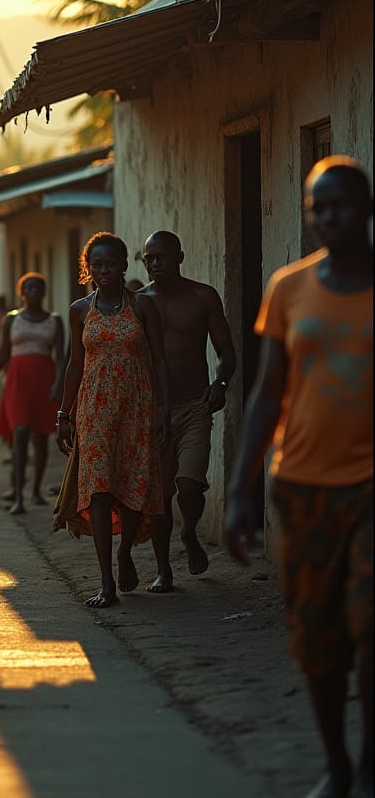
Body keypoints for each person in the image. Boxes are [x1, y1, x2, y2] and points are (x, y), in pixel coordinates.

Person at [225, 157, 372, 798]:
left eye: (340, 204)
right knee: (317, 640)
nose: (328, 216)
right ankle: (337, 764)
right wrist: (239, 489)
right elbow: (267, 394)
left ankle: (370, 766)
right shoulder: (289, 288)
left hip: (371, 486)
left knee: (370, 625)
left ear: (364, 208)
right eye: (318, 207)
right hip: (304, 486)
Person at [54, 232, 170, 608]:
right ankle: (106, 580)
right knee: (99, 489)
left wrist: (164, 409)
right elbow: (75, 364)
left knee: (136, 488)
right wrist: (64, 414)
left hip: (137, 407)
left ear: (124, 266)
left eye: (110, 264)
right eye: (96, 265)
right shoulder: (79, 310)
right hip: (94, 410)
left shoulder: (143, 306)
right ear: (88, 268)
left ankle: (125, 554)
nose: (103, 271)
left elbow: (159, 360)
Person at [137, 231, 237, 593]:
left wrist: (220, 384)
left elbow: (227, 351)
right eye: (148, 258)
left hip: (196, 404)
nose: (154, 263)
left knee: (189, 485)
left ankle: (190, 531)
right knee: (159, 496)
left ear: (180, 256)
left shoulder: (202, 296)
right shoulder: (139, 302)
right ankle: (164, 570)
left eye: (161, 256)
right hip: (152, 410)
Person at [0, 273, 66, 514]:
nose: (34, 292)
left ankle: (35, 490)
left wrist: (59, 383)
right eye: (29, 288)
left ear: (44, 292)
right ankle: (18, 495)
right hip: (18, 380)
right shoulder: (12, 320)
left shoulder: (54, 321)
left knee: (41, 436)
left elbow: (60, 357)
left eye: (38, 287)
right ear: (21, 293)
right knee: (20, 432)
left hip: (44, 381)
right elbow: (2, 354)